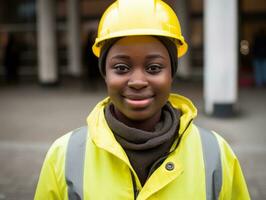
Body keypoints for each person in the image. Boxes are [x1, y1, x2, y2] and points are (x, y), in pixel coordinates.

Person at [34, 0, 250, 199]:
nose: (138, 81)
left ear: (171, 74)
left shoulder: (216, 154)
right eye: (121, 68)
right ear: (105, 74)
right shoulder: (64, 156)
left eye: (154, 68)